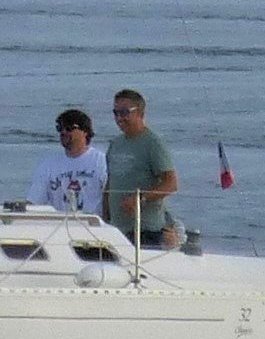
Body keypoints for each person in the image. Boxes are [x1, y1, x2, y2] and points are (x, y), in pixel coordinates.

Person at [104, 88, 180, 248]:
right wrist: (105, 220)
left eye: (124, 112)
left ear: (140, 112)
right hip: (117, 229)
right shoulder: (115, 144)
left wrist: (140, 199)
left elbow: (171, 183)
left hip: (146, 230)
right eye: (115, 113)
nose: (119, 118)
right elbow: (110, 183)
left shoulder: (152, 143)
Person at [27, 109, 108, 215]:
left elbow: (110, 200)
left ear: (85, 132)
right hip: (59, 225)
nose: (63, 132)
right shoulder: (49, 165)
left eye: (69, 128)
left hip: (93, 225)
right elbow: (34, 203)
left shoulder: (101, 162)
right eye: (60, 128)